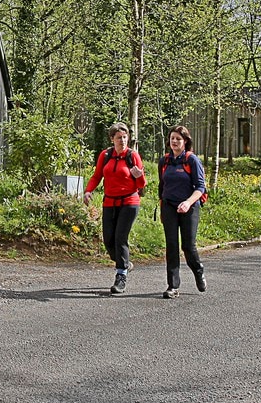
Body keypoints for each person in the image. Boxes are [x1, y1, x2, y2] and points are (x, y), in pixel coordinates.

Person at [83, 122, 146, 294]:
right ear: (112, 139)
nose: (123, 141)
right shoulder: (105, 155)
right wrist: (88, 191)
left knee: (120, 238)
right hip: (109, 202)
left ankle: (121, 277)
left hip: (129, 202)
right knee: (108, 240)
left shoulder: (133, 156)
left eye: (125, 137)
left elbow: (142, 185)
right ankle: (124, 262)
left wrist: (139, 177)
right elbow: (97, 176)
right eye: (119, 138)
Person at [158, 124, 207, 299]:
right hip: (169, 206)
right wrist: (163, 203)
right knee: (171, 245)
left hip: (189, 206)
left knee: (188, 246)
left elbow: (200, 187)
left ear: (185, 141)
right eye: (172, 139)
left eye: (178, 139)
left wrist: (187, 202)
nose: (175, 142)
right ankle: (173, 286)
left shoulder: (191, 160)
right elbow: (162, 185)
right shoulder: (164, 161)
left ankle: (198, 269)